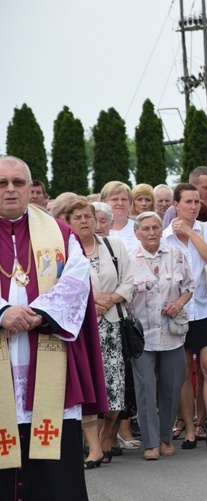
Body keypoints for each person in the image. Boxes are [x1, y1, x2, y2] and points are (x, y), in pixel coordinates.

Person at [0, 156, 106, 500]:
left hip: (46, 359)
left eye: (18, 182)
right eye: (2, 183)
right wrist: (2, 312)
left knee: (54, 476)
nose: (10, 189)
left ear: (32, 188)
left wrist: (40, 313)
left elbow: (76, 281)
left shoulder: (60, 234)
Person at [63, 200, 134, 467]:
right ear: (68, 222)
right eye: (78, 217)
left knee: (115, 391)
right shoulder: (66, 250)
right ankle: (93, 447)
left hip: (112, 325)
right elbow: (60, 285)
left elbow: (129, 281)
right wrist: (92, 302)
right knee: (87, 387)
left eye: (88, 216)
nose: (84, 221)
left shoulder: (113, 246)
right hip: (81, 328)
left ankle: (106, 434)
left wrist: (110, 299)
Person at [163, 183, 207, 449]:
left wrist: (190, 230)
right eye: (187, 202)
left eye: (196, 202)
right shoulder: (165, 236)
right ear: (175, 205)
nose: (193, 206)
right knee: (184, 371)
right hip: (181, 309)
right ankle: (188, 428)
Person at [128, 212, 194, 460]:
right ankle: (150, 443)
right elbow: (122, 293)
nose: (152, 232)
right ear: (137, 233)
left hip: (171, 332)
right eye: (146, 228)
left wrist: (178, 303)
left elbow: (189, 287)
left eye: (156, 227)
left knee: (172, 386)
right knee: (145, 388)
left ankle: (166, 437)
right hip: (142, 334)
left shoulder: (176, 255)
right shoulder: (129, 259)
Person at [101, 181, 139, 252]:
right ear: (103, 202)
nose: (120, 203)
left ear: (130, 203)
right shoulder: (96, 229)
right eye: (115, 199)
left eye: (124, 199)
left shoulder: (139, 228)